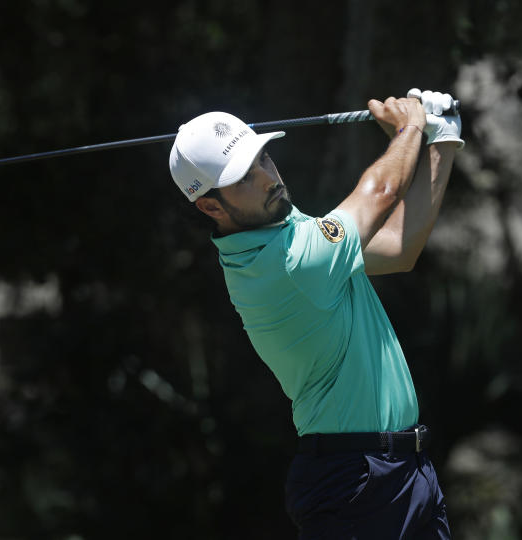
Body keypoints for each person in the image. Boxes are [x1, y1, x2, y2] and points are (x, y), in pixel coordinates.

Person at [169, 89, 463, 539]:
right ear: (209, 206)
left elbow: (400, 247)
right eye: (245, 177)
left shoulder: (288, 233)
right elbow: (381, 191)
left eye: (264, 159)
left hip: (404, 469)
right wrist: (410, 129)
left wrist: (440, 143)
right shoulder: (289, 263)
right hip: (357, 484)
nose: (268, 178)